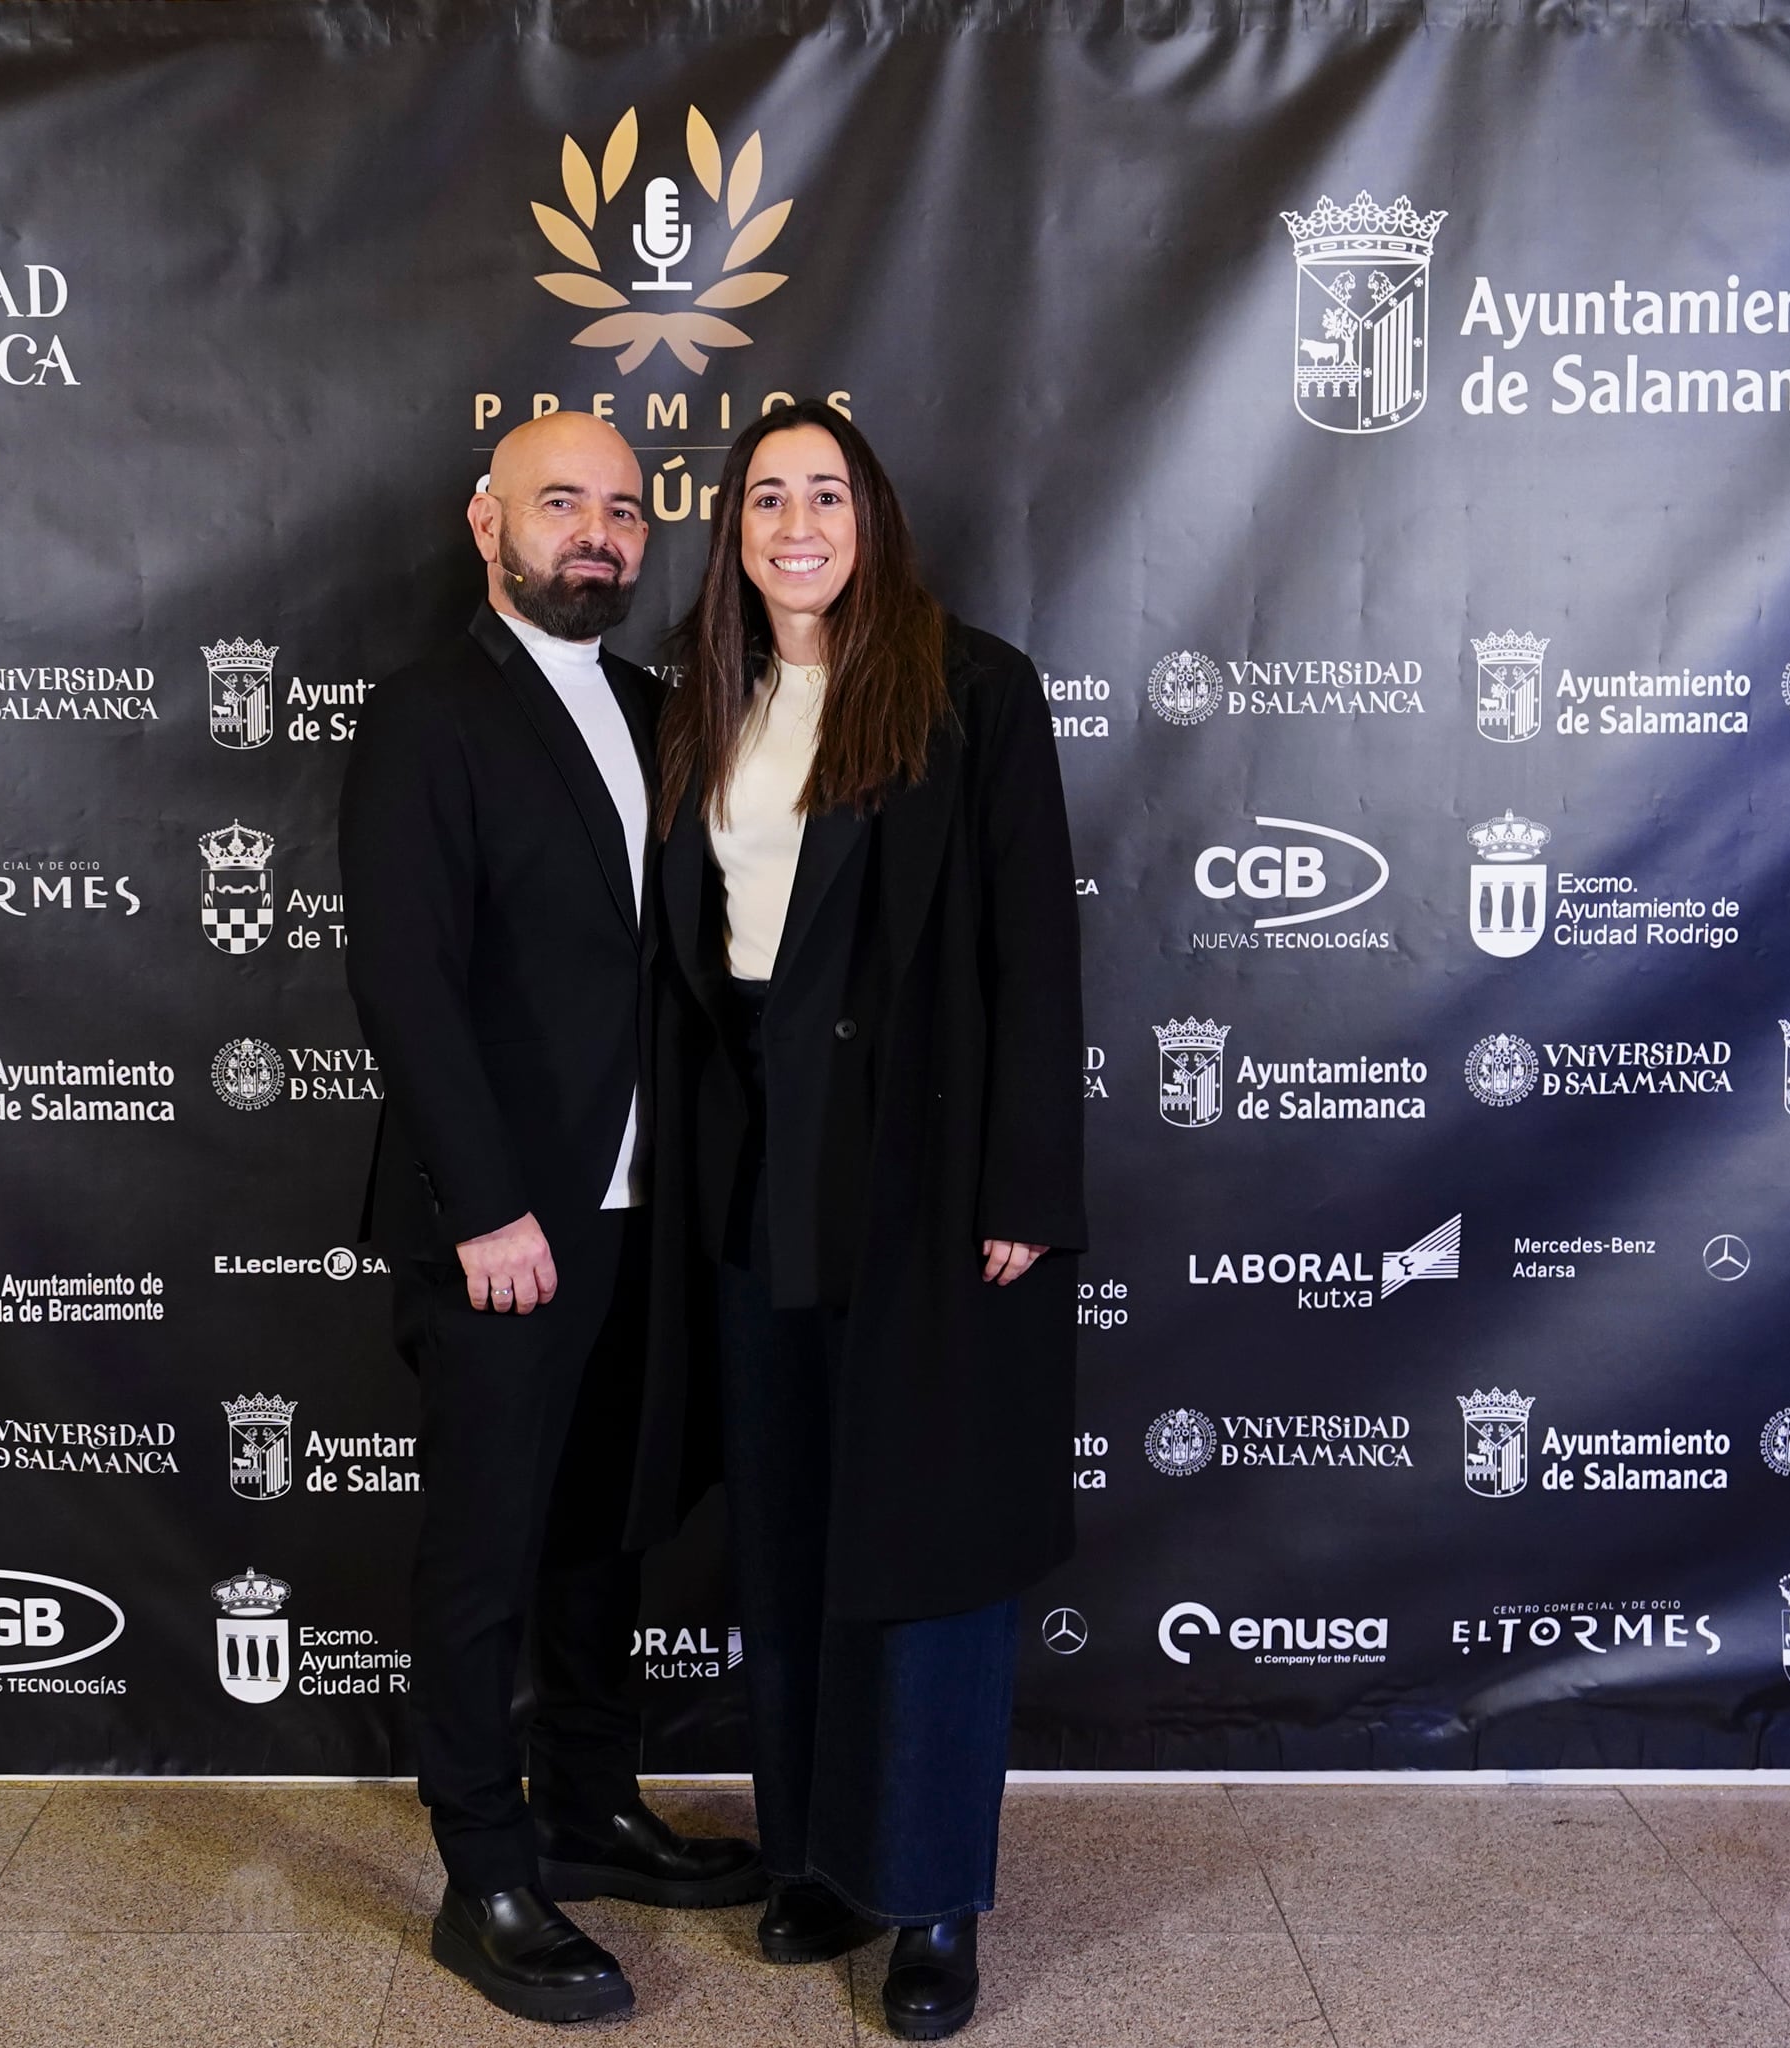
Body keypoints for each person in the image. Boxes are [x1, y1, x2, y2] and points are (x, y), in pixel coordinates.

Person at [629, 403, 1084, 2042]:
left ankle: (934, 1895)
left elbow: (1034, 952)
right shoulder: (708, 698)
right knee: (793, 1524)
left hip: (927, 1176)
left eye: (826, 493)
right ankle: (818, 1854)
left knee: (929, 1536)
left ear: (872, 517)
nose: (797, 524)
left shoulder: (974, 691)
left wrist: (1025, 1184)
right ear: (735, 534)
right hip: (759, 1169)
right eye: (768, 499)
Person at [340, 411, 765, 2026]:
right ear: (487, 523)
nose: (597, 531)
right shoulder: (427, 714)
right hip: (511, 1222)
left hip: (650, 1213)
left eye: (622, 509)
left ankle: (590, 1806)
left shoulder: (663, 709)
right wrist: (488, 1205)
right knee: (486, 1554)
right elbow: (407, 979)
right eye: (560, 503)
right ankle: (487, 1874)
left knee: (608, 1528)